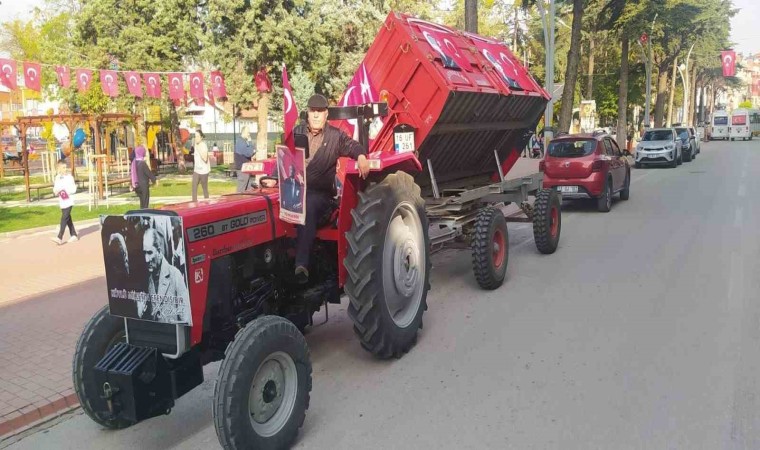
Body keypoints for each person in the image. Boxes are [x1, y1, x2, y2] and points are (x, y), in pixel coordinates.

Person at [294, 94, 370, 284]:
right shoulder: (298, 132)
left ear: (326, 114)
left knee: (308, 205)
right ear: (308, 114)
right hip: (295, 192)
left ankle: (301, 264)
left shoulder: (335, 136)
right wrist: (270, 178)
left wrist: (361, 156)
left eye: (320, 111)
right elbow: (286, 156)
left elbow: (353, 146)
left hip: (320, 197)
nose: (316, 115)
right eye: (313, 111)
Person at [142, 228, 189, 323]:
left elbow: (186, 319)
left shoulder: (175, 275)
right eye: (144, 253)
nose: (146, 259)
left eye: (150, 252)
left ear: (159, 252)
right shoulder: (148, 279)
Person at [52, 161, 78, 245]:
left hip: (69, 200)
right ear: (58, 168)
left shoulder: (69, 177)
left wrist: (65, 190)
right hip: (62, 201)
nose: (65, 169)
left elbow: (73, 189)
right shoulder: (57, 178)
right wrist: (56, 191)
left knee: (64, 218)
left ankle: (59, 237)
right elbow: (55, 189)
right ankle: (73, 234)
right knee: (67, 218)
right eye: (63, 167)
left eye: (66, 167)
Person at [234, 126, 254, 192]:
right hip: (242, 168)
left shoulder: (243, 141)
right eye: (248, 132)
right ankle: (238, 201)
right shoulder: (241, 142)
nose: (249, 134)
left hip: (246, 167)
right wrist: (250, 142)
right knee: (241, 189)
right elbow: (249, 153)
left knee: (248, 188)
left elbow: (248, 153)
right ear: (243, 132)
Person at [192, 129, 210, 202]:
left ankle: (207, 204)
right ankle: (194, 203)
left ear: (201, 137)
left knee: (204, 188)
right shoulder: (195, 145)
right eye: (195, 136)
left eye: (198, 136)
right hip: (197, 170)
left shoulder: (203, 146)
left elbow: (205, 158)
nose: (196, 138)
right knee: (194, 187)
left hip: (204, 171)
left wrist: (199, 149)